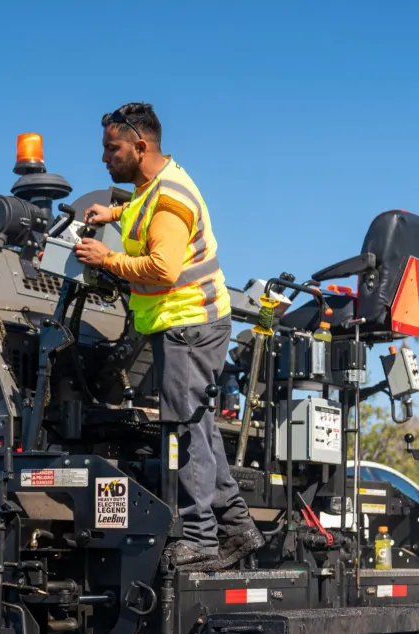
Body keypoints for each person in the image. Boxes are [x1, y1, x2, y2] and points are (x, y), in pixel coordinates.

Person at [72, 102, 264, 570]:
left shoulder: (171, 198)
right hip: (188, 324)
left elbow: (162, 267)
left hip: (188, 325)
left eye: (111, 149)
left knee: (183, 428)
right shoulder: (153, 186)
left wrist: (106, 259)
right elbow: (144, 210)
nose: (104, 158)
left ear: (140, 146)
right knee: (198, 425)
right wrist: (113, 213)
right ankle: (237, 527)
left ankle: (201, 539)